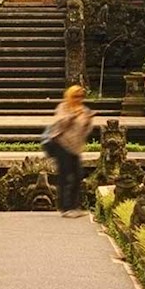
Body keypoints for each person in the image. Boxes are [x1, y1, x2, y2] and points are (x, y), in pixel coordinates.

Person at [43, 84, 94, 215]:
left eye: (81, 96)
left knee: (78, 176)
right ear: (70, 96)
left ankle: (74, 206)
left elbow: (85, 131)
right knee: (65, 176)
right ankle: (65, 207)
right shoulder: (63, 107)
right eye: (76, 96)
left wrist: (88, 121)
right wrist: (72, 117)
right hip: (61, 144)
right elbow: (59, 124)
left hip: (75, 147)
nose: (79, 99)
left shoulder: (84, 110)